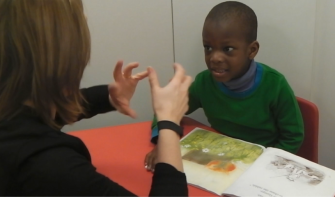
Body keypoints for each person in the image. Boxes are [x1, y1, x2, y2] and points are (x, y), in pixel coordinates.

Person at [0, 0, 192, 196]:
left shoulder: (10, 111)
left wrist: (109, 97)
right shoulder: (49, 167)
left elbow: (34, 118)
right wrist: (169, 123)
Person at [145, 1, 304, 171]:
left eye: (227, 49)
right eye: (208, 48)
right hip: (219, 160)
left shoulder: (275, 85)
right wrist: (164, 141)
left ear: (251, 50)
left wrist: (266, 167)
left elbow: (293, 137)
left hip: (261, 164)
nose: (215, 57)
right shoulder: (204, 83)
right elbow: (167, 111)